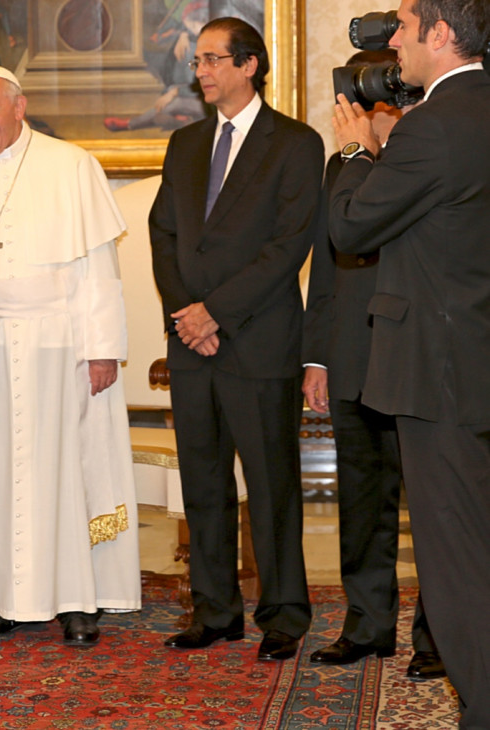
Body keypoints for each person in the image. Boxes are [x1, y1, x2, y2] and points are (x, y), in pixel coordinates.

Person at [0, 66, 140, 646]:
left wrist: (103, 350)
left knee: (67, 471)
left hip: (59, 343)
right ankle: (5, 597)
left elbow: (99, 268)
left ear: (18, 107)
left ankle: (77, 600)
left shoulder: (70, 165)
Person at [327, 0, 490, 722]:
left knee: (457, 566)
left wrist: (358, 152)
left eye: (402, 26)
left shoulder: (434, 123)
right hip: (474, 358)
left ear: (441, 34)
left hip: (438, 372)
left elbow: (351, 228)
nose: (393, 40)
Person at [148, 16, 322, 662]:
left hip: (258, 341)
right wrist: (186, 316)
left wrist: (214, 313)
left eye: (213, 59)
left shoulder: (295, 144)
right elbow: (163, 234)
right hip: (192, 346)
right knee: (202, 483)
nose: (200, 71)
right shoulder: (186, 143)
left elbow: (287, 247)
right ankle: (215, 610)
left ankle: (283, 614)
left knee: (272, 487)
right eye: (198, 61)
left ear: (250, 65)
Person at [303, 48, 443, 681]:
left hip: (417, 357)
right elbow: (326, 263)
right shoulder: (343, 163)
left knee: (432, 505)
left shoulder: (428, 152)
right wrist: (318, 358)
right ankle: (366, 625)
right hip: (354, 355)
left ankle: (437, 636)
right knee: (362, 501)